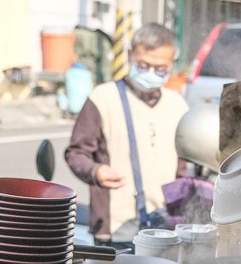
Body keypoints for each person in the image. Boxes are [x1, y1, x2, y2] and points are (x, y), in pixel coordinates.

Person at [65, 22, 189, 242]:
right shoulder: (102, 98)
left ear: (172, 64)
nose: (151, 73)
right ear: (130, 55)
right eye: (143, 65)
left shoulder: (178, 105)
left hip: (164, 228)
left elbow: (182, 168)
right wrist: (96, 171)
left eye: (160, 69)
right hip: (114, 229)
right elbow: (76, 152)